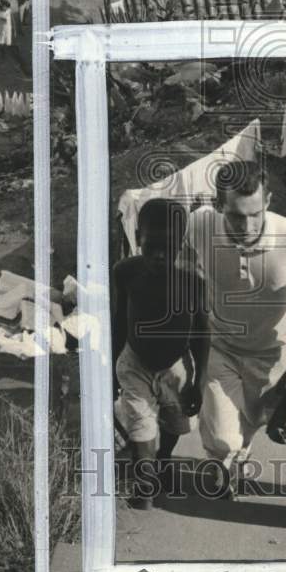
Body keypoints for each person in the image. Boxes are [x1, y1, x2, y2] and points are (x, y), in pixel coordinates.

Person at [181, 158, 286, 497]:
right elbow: (185, 256)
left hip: (275, 350)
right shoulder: (200, 225)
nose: (247, 225)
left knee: (255, 417)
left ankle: (237, 456)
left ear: (268, 203)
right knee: (221, 435)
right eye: (235, 215)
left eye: (255, 214)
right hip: (221, 345)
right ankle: (224, 460)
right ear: (219, 206)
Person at [112, 198, 208, 510]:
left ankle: (164, 458)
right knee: (142, 426)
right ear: (137, 236)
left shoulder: (192, 282)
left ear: (181, 244)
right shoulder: (125, 272)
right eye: (151, 245)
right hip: (135, 362)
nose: (159, 255)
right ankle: (145, 487)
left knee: (174, 424)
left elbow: (201, 333)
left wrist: (199, 379)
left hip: (176, 367)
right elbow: (118, 323)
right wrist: (111, 369)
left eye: (168, 247)